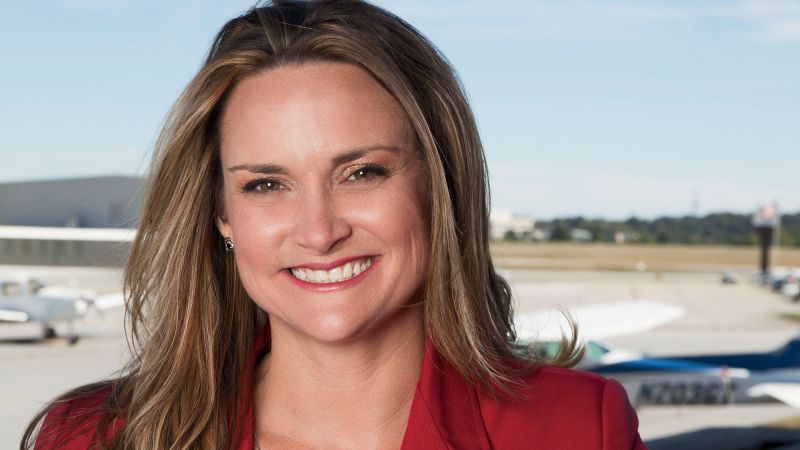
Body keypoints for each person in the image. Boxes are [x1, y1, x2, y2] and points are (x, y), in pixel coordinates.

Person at [23, 1, 646, 449]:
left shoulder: (577, 428)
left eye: (362, 173)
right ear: (222, 216)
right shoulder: (90, 437)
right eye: (266, 184)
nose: (319, 232)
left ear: (439, 187)